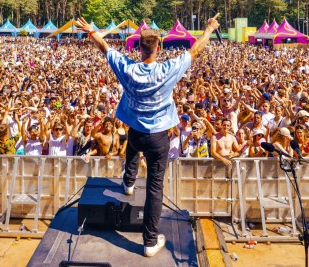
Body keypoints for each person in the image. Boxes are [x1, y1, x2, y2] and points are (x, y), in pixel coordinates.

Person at [76, 13, 220, 258]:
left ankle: (129, 182)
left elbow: (105, 48)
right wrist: (208, 29)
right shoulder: (167, 69)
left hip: (137, 133)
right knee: (155, 188)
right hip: (158, 138)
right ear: (159, 47)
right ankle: (150, 241)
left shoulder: (128, 69)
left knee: (133, 144)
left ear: (138, 47)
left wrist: (91, 30)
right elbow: (195, 51)